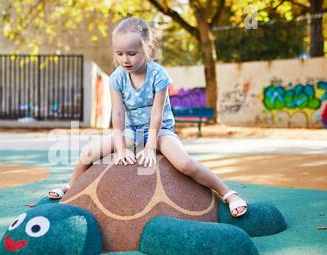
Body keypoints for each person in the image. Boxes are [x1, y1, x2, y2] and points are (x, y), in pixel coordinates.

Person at [48, 16, 247, 217]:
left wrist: (151, 147)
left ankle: (227, 193)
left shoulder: (158, 75)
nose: (125, 59)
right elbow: (117, 113)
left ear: (148, 48)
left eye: (132, 53)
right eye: (119, 53)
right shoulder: (117, 77)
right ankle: (71, 188)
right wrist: (120, 147)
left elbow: (157, 113)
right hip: (130, 132)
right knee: (86, 154)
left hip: (160, 131)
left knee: (185, 164)